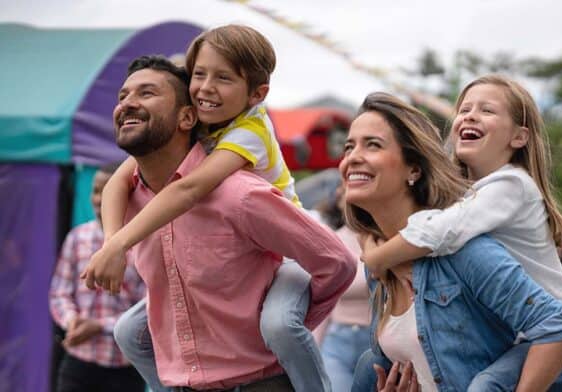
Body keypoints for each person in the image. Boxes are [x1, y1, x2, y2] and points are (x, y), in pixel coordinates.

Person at [83, 55, 356, 391]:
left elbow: (338, 262)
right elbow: (119, 185)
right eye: (123, 96)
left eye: (147, 93)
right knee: (128, 332)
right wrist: (113, 242)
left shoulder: (238, 190)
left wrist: (287, 327)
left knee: (280, 325)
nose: (128, 104)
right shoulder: (130, 196)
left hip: (259, 382)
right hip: (184, 383)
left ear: (187, 116)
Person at [358, 75, 562, 388]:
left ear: (519, 137)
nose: (470, 115)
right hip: (511, 334)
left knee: (486, 387)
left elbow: (441, 231)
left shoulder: (512, 185)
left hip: (561, 343)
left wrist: (377, 258)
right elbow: (409, 220)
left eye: (487, 110)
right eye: (465, 109)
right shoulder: (465, 195)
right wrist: (369, 235)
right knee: (368, 364)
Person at [49, 163, 145, 392]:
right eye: (95, 191)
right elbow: (59, 292)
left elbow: (148, 309)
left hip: (124, 367)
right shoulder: (78, 237)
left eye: (107, 191)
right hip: (78, 363)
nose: (99, 199)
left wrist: (100, 326)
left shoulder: (142, 243)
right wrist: (72, 321)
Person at [312, 184, 371, 392]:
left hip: (376, 342)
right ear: (338, 199)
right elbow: (321, 302)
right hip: (337, 340)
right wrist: (313, 351)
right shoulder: (330, 241)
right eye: (345, 191)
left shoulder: (385, 240)